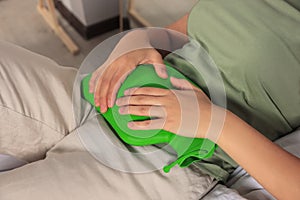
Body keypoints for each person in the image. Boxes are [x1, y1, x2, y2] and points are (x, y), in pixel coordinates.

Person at [0, 0, 299, 199]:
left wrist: (210, 121)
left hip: (172, 158)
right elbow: (183, 31)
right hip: (102, 94)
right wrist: (136, 43)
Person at [89, 0, 300, 199]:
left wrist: (213, 122)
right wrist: (136, 42)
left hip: (172, 163)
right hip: (100, 101)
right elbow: (179, 34)